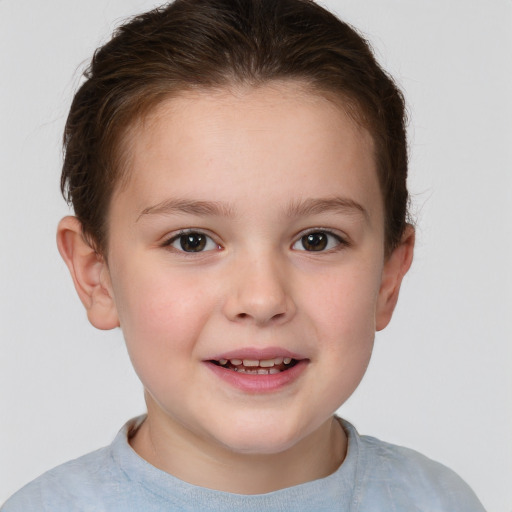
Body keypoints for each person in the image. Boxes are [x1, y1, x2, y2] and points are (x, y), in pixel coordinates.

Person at [1, 0, 486, 510]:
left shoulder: (442, 500)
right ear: (96, 276)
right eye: (192, 240)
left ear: (388, 277)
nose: (261, 299)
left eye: (317, 239)